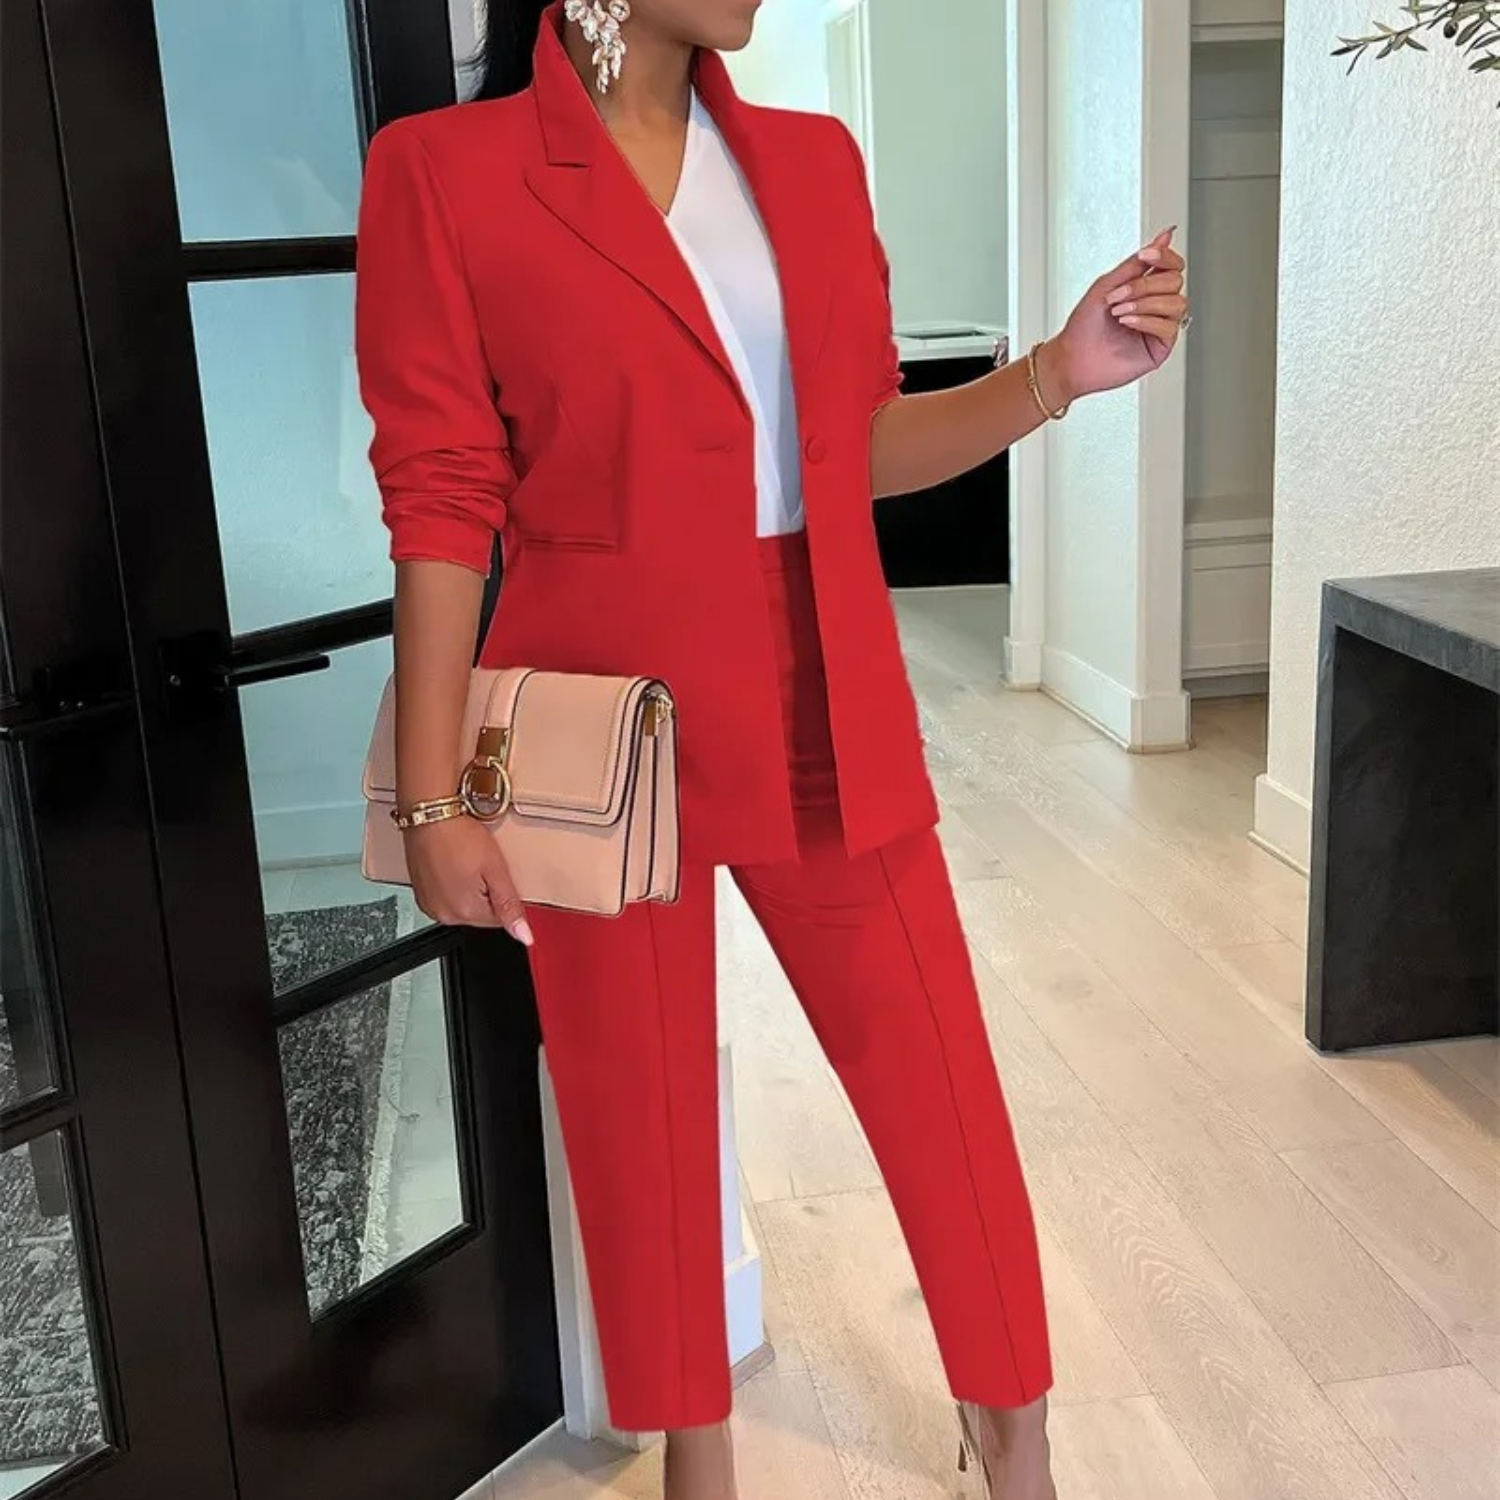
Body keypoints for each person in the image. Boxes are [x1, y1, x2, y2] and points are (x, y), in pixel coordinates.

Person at [355, 3, 1189, 1496]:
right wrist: (433, 794)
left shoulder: (810, 162)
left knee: (937, 1081)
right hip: (600, 724)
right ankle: (700, 1454)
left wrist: (1059, 370)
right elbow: (442, 493)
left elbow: (856, 445)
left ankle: (1014, 1427)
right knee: (639, 1110)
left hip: (822, 690)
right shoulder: (445, 172)